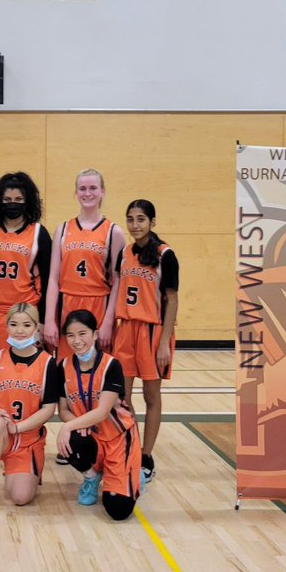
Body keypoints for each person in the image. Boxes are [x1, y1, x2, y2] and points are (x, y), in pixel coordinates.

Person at [41, 169, 124, 466]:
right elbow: (52, 279)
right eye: (82, 188)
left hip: (98, 307)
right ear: (75, 192)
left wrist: (107, 322)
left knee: (98, 377)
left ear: (102, 191)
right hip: (67, 309)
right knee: (70, 379)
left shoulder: (113, 231)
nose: (87, 193)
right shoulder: (63, 228)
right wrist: (50, 319)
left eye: (92, 188)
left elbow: (117, 280)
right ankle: (74, 439)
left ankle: (105, 440)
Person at [108, 200, 179, 485]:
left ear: (152, 221)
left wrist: (164, 344)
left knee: (151, 397)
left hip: (153, 331)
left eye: (140, 219)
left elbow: (172, 300)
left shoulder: (166, 255)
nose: (135, 225)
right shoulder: (124, 253)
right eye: (130, 219)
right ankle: (129, 449)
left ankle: (146, 456)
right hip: (126, 330)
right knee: (122, 399)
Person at [54, 310, 141, 521]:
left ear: (95, 334)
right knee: (70, 442)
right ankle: (91, 477)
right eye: (71, 335)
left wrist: (68, 426)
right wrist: (72, 425)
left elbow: (102, 412)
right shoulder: (63, 367)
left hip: (118, 438)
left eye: (82, 333)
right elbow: (63, 409)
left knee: (118, 510)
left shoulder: (112, 365)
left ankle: (131, 474)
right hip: (91, 436)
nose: (77, 341)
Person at [0, 303, 58, 516]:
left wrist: (17, 427)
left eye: (26, 325)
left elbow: (48, 409)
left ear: (36, 328)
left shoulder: (48, 364)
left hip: (27, 439)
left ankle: (28, 468)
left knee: (21, 498)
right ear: (7, 327)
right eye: (14, 324)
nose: (20, 330)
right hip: (0, 433)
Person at [0, 172, 53, 361]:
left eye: (18, 199)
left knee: (29, 370)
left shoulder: (39, 232)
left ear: (28, 201)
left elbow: (48, 280)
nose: (12, 204)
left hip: (27, 311)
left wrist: (44, 319)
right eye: (7, 199)